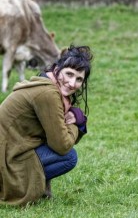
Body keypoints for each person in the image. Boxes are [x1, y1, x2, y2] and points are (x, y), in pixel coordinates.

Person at [0, 45, 93, 206]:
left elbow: (56, 135)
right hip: (6, 158)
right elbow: (62, 145)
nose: (72, 83)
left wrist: (77, 120)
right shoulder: (48, 94)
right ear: (57, 69)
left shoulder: (47, 85)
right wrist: (76, 123)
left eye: (79, 79)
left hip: (10, 149)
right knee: (69, 157)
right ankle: (18, 186)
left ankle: (34, 184)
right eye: (69, 74)